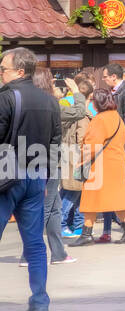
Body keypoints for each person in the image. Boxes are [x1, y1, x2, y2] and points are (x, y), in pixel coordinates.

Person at [0, 48, 63, 311]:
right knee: (35, 242)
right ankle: (40, 300)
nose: (1, 72)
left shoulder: (5, 98)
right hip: (36, 177)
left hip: (6, 176)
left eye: (4, 68)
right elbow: (56, 143)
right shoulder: (50, 101)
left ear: (20, 71)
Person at [74, 89, 125, 246]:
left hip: (100, 165)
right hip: (116, 163)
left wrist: (80, 161)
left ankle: (87, 233)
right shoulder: (117, 117)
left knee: (90, 198)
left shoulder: (99, 120)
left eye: (92, 100)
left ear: (97, 103)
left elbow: (92, 145)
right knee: (116, 198)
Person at [25, 69, 72, 268]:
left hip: (31, 160)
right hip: (47, 163)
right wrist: (76, 91)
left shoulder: (25, 103)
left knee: (54, 208)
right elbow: (76, 113)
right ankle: (28, 254)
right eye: (51, 80)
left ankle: (59, 253)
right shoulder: (51, 104)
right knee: (44, 208)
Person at [59, 73, 92, 239]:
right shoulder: (83, 115)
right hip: (77, 157)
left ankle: (76, 224)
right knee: (73, 192)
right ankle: (62, 224)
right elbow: (82, 138)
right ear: (90, 96)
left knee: (72, 192)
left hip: (67, 153)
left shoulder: (68, 110)